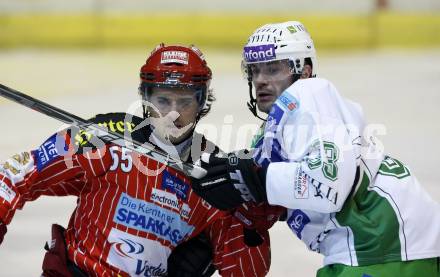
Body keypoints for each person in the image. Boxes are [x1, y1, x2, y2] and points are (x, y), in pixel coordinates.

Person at [0, 44, 276, 276]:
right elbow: (21, 174)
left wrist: (252, 222)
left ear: (203, 101)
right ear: (145, 97)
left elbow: (245, 271)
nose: (173, 114)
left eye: (185, 102)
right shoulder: (105, 135)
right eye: (162, 100)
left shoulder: (213, 172)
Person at [191, 21, 440, 276]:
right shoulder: (270, 136)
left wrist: (254, 178)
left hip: (388, 245)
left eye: (273, 69)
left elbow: (327, 187)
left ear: (305, 71)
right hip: (373, 247)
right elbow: (270, 197)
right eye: (254, 71)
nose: (261, 80)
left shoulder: (310, 94)